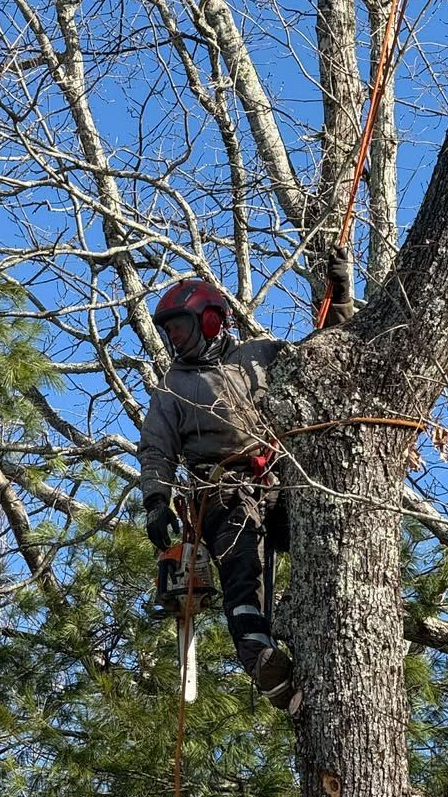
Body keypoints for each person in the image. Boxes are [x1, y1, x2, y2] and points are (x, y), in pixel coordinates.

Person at [139, 249, 354, 708]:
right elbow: (156, 448)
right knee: (243, 574)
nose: (175, 341)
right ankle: (263, 664)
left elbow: (326, 359)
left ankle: (343, 621)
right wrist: (155, 500)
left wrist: (339, 292)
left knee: (338, 540)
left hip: (283, 481)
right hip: (223, 494)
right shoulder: (173, 388)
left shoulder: (259, 357)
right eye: (170, 332)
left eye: (180, 328)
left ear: (211, 320)